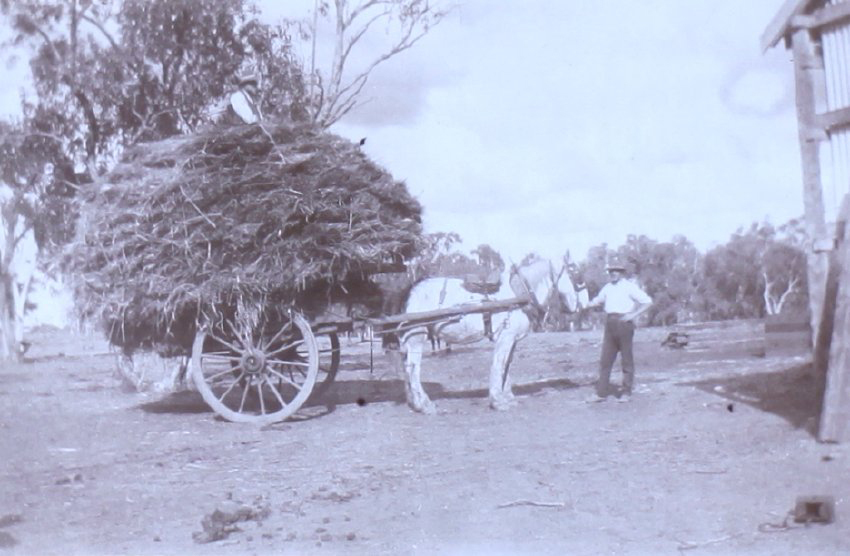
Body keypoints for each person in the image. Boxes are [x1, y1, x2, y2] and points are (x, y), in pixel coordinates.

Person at [584, 257, 652, 403]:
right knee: (605, 360)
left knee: (626, 359)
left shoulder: (629, 287)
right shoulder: (607, 287)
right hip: (610, 324)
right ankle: (601, 393)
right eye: (611, 271)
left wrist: (632, 315)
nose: (613, 273)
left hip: (624, 324)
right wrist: (585, 305)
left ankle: (626, 392)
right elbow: (597, 300)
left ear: (622, 273)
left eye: (617, 271)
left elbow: (647, 301)